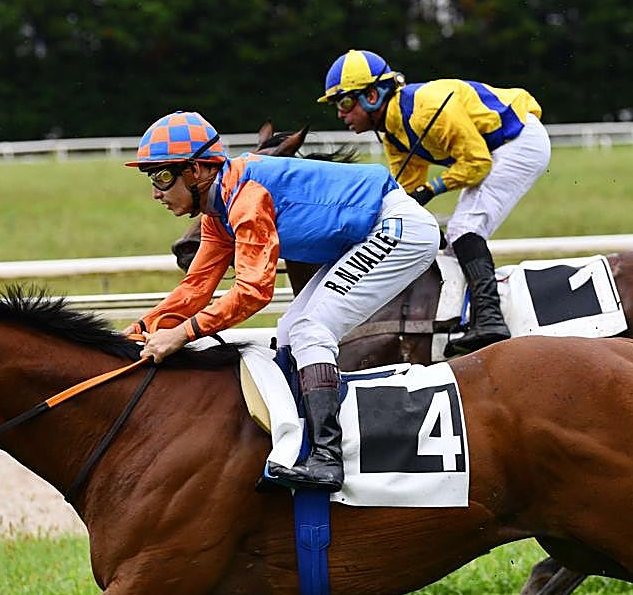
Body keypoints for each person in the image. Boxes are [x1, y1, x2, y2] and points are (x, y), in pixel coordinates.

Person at [124, 111, 439, 491]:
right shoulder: (218, 212)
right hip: (364, 235)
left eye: (161, 176)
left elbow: (254, 291)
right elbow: (195, 290)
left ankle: (328, 459)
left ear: (195, 171)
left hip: (398, 227)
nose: (155, 192)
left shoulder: (246, 196)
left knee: (310, 330)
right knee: (289, 330)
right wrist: (139, 330)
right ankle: (301, 445)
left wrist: (182, 335)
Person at [319, 49, 551, 355]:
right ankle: (468, 315)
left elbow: (477, 164)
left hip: (518, 141)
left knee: (464, 229)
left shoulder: (425, 110)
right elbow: (405, 193)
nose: (341, 114)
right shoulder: (393, 133)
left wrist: (431, 189)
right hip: (497, 148)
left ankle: (491, 320)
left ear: (372, 96)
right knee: (454, 237)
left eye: (345, 102)